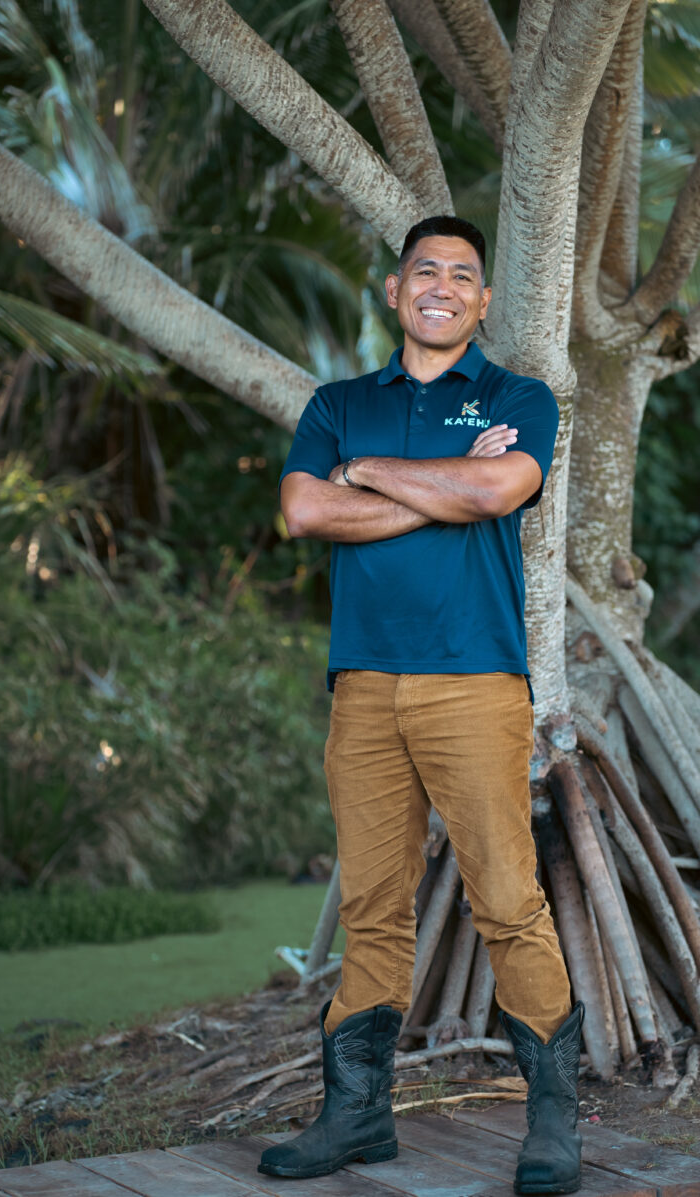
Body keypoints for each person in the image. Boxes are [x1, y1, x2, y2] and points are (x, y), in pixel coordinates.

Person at [258, 216, 584, 1196]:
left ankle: (553, 1119)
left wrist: (366, 472)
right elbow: (303, 510)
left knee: (507, 897)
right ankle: (358, 1117)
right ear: (395, 291)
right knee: (371, 903)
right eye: (424, 271)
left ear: (482, 301)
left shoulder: (519, 397)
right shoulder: (339, 402)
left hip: (474, 679)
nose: (442, 285)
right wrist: (445, 485)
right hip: (363, 682)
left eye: (462, 275)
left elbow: (498, 490)